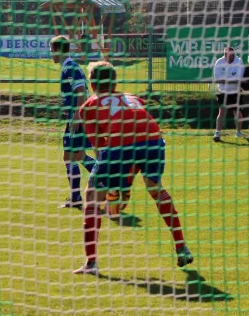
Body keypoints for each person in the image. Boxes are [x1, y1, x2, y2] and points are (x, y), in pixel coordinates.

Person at [74, 61, 193, 275]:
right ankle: (181, 246)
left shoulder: (89, 106)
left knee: (91, 197)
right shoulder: (134, 98)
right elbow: (136, 133)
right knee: (156, 189)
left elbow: (101, 147)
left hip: (122, 144)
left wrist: (116, 186)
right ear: (114, 81)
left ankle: (91, 263)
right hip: (154, 140)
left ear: (92, 84)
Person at [50, 35, 96, 209]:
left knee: (69, 157)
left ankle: (77, 197)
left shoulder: (70, 68)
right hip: (78, 116)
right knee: (78, 156)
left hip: (77, 117)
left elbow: (80, 91)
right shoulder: (69, 67)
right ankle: (105, 181)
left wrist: (77, 113)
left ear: (59, 50)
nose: (50, 54)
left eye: (52, 50)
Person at [213, 47, 245, 142]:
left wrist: (225, 80)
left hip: (235, 91)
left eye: (233, 55)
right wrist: (229, 80)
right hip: (222, 91)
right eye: (230, 55)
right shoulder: (219, 62)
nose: (232, 57)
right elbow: (217, 78)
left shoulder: (239, 61)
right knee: (222, 112)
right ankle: (217, 133)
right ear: (225, 55)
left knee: (237, 112)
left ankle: (238, 132)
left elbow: (238, 78)